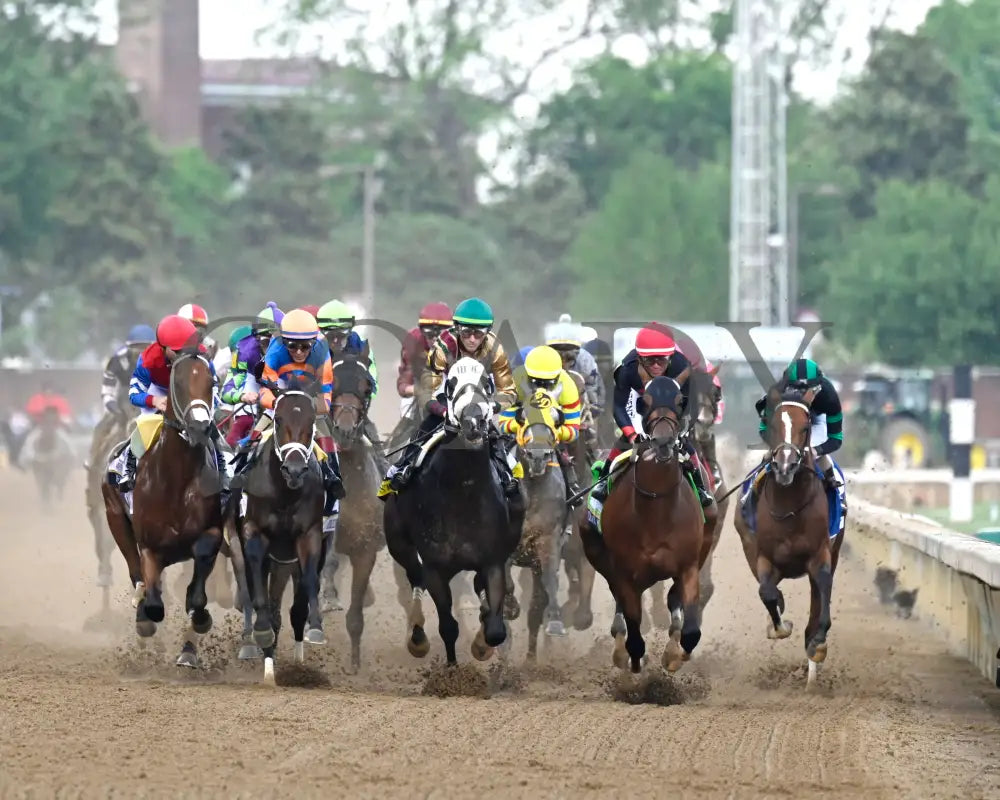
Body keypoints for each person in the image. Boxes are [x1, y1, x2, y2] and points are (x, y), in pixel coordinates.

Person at [382, 297, 519, 497]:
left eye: (478, 333)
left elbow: (509, 392)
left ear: (487, 332)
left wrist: (491, 408)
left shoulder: (495, 349)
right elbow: (426, 391)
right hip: (447, 396)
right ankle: (401, 468)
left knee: (498, 443)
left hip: (479, 402)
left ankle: (508, 477)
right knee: (422, 431)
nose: (472, 339)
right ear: (457, 329)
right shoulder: (444, 345)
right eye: (467, 332)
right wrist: (444, 411)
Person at [590, 324, 714, 508]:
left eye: (661, 360)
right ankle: (603, 480)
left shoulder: (682, 367)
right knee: (624, 440)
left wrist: (681, 429)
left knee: (686, 444)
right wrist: (632, 434)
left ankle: (700, 486)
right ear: (639, 358)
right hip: (639, 399)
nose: (656, 365)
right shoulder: (627, 369)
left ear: (670, 358)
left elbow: (692, 406)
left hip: (670, 403)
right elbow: (619, 406)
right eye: (649, 361)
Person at [114, 314, 228, 503]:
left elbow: (213, 386)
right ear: (163, 347)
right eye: (177, 351)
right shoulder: (148, 359)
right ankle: (128, 468)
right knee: (145, 423)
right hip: (160, 389)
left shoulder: (201, 355)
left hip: (189, 391)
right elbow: (134, 395)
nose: (183, 353)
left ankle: (224, 472)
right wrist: (153, 400)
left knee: (211, 427)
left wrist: (209, 407)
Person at [251, 308, 345, 534]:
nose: (299, 351)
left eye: (305, 346)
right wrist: (280, 405)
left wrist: (305, 408)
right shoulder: (275, 351)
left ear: (314, 342)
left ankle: (332, 493)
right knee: (251, 439)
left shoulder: (322, 352)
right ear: (284, 342)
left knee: (329, 445)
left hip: (310, 399)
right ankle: (238, 483)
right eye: (292, 346)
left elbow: (325, 398)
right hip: (281, 395)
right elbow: (265, 393)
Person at [499, 345, 583, 504]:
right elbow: (504, 423)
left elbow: (573, 430)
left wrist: (552, 432)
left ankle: (572, 485)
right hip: (522, 427)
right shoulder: (514, 381)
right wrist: (523, 425)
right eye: (536, 382)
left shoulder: (568, 386)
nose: (542, 387)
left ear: (558, 376)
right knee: (498, 445)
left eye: (548, 383)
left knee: (569, 451)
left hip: (553, 431)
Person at [754, 357, 843, 493]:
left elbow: (836, 439)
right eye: (796, 391)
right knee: (770, 455)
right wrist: (777, 447)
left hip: (816, 420)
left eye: (806, 391)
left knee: (815, 453)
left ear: (818, 388)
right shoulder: (776, 393)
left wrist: (816, 451)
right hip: (787, 420)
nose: (801, 396)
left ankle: (835, 489)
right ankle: (751, 490)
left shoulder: (829, 396)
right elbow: (763, 429)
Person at [315, 299, 385, 460]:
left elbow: (372, 381)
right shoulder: (312, 347)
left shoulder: (360, 346)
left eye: (340, 336)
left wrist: (362, 398)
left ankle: (383, 467)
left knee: (371, 433)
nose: (335, 341)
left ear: (350, 331)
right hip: (320, 406)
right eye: (330, 336)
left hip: (351, 406)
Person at [86, 325, 156, 470]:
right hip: (122, 403)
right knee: (101, 426)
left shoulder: (161, 361)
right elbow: (108, 389)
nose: (140, 352)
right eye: (136, 348)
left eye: (144, 348)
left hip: (150, 403)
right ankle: (92, 459)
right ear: (129, 348)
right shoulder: (117, 360)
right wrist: (112, 406)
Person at [220, 303, 284, 447]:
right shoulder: (244, 352)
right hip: (253, 376)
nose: (271, 350)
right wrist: (242, 396)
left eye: (277, 343)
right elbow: (227, 391)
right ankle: (232, 460)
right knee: (243, 423)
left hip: (280, 377)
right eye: (267, 342)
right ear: (257, 339)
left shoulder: (295, 350)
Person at [397, 302, 452, 416]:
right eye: (429, 333)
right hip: (422, 387)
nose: (435, 339)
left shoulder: (459, 343)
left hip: (448, 387)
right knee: (407, 404)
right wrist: (417, 390)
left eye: (441, 334)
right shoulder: (413, 342)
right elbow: (404, 385)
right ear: (421, 330)